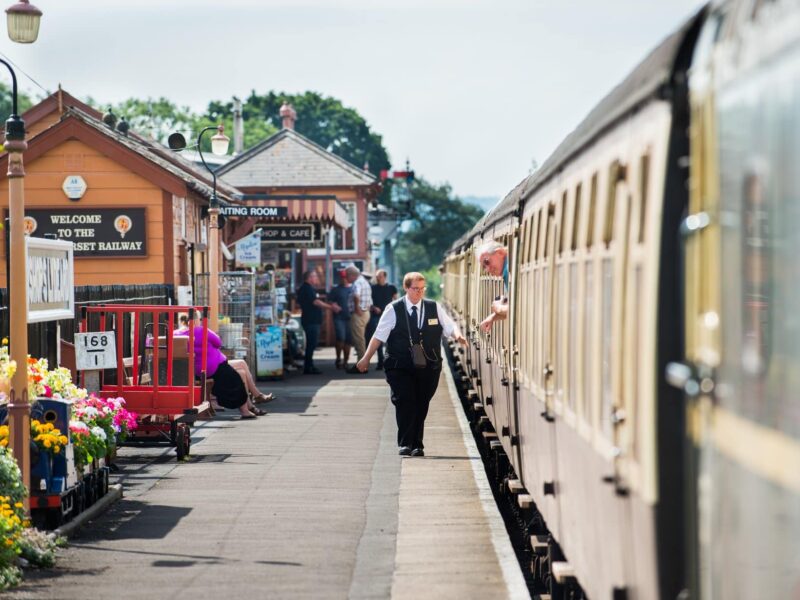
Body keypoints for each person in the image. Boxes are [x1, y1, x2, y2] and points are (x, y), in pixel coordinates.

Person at [357, 272, 467, 456]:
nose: (419, 292)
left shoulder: (433, 307)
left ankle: (417, 444)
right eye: (415, 289)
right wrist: (366, 358)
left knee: (421, 402)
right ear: (406, 288)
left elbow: (449, 326)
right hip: (399, 365)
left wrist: (458, 336)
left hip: (428, 366)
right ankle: (406, 443)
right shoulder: (393, 309)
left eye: (422, 289)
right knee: (405, 401)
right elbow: (379, 335)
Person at [177, 319, 265, 419]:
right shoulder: (202, 330)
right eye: (199, 319)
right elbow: (218, 342)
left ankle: (250, 405)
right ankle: (252, 402)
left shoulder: (177, 334)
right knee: (239, 372)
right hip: (212, 367)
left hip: (196, 369)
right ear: (195, 320)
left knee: (241, 371)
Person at [297, 270, 341, 374]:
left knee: (312, 344)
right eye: (315, 276)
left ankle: (310, 365)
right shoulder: (306, 288)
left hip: (312, 320)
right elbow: (316, 302)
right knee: (311, 344)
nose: (317, 278)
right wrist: (331, 307)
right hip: (310, 320)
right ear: (309, 277)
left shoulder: (309, 288)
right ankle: (308, 367)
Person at [366, 269, 398, 371]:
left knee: (390, 340)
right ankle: (380, 362)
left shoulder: (391, 287)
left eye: (380, 276)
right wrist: (374, 307)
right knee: (378, 339)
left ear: (385, 277)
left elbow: (396, 301)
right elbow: (368, 302)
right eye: (377, 276)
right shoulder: (372, 288)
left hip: (389, 316)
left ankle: (389, 361)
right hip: (376, 316)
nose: (378, 278)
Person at [477, 241, 510, 332]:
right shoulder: (506, 272)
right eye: (484, 267)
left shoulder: (509, 270)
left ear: (500, 253)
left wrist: (498, 308)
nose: (487, 269)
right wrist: (493, 317)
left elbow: (518, 308)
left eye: (487, 262)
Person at [345, 265, 372, 373]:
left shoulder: (357, 283)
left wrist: (357, 308)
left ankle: (361, 367)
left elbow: (356, 295)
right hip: (365, 312)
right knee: (360, 339)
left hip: (359, 314)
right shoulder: (365, 281)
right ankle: (362, 365)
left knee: (359, 340)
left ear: (352, 275)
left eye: (347, 276)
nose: (346, 278)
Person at [327, 270, 354, 369]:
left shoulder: (353, 288)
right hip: (339, 318)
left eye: (345, 277)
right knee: (340, 338)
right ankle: (338, 358)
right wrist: (333, 305)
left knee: (348, 340)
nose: (343, 279)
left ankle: (346, 361)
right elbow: (329, 300)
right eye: (341, 277)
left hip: (351, 318)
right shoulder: (335, 289)